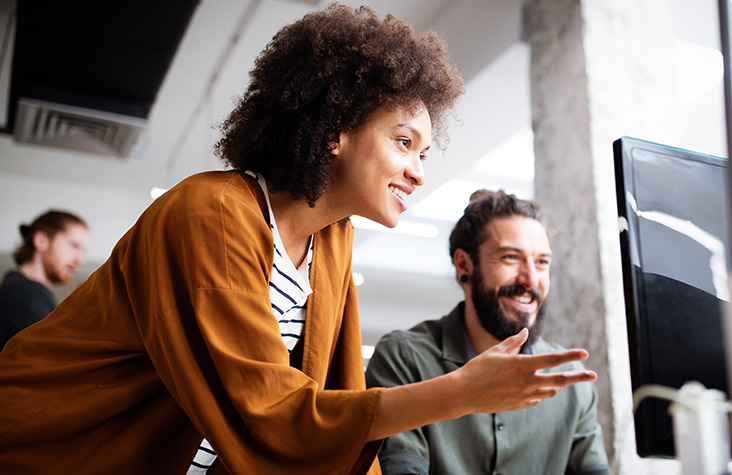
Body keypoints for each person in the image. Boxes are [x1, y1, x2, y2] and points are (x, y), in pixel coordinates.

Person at [0, 5, 596, 475]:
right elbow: (269, 412)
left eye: (424, 151)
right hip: (47, 449)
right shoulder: (210, 215)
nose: (419, 170)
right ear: (334, 130)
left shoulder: (331, 243)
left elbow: (331, 392)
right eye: (403, 141)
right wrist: (458, 393)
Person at [366, 189, 611, 475]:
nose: (531, 279)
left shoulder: (570, 379)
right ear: (463, 265)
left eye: (542, 262)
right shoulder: (404, 358)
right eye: (510, 257)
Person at [0, 210, 89, 350]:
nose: (80, 260)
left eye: (83, 252)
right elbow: (56, 356)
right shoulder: (24, 292)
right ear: (41, 241)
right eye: (74, 246)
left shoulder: (24, 289)